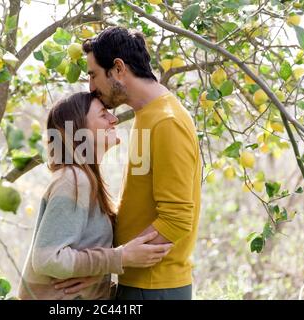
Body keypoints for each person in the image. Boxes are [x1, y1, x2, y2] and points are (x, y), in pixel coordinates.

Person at [55, 26, 202, 300]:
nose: (91, 87)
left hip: (156, 287)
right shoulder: (146, 115)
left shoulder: (167, 121)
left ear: (118, 68)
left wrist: (112, 262)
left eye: (93, 75)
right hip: (139, 283)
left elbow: (177, 218)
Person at [18, 92, 172, 300]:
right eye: (102, 114)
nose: (114, 119)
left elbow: (82, 251)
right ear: (80, 131)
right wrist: (120, 257)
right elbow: (48, 259)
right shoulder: (73, 181)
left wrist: (97, 271)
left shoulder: (85, 180)